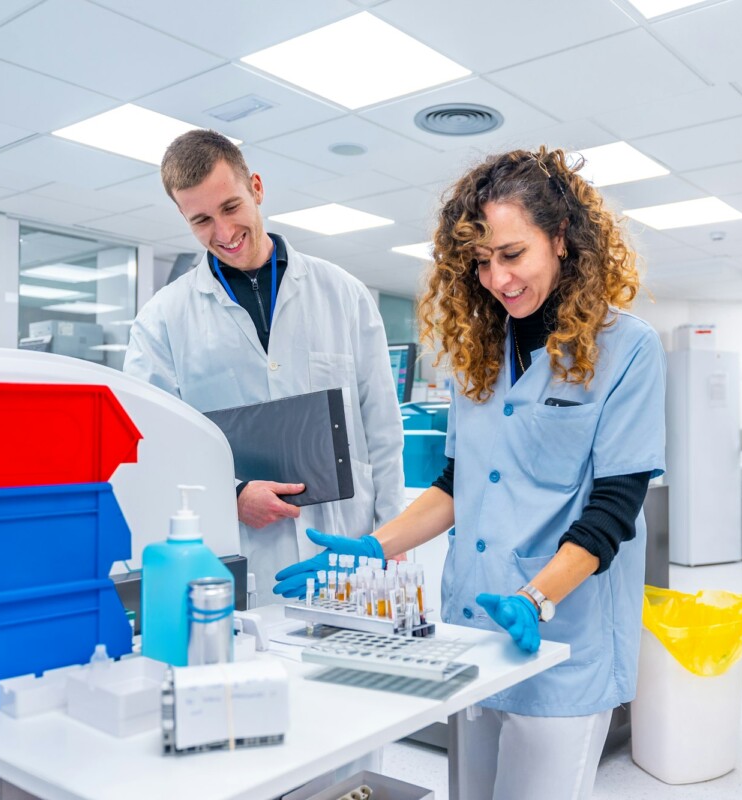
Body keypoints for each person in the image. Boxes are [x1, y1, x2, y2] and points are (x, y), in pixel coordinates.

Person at [275, 147, 666, 800]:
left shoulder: (627, 348)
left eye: (512, 255)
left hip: (562, 635)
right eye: (480, 262)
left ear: (562, 239)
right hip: (469, 630)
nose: (497, 279)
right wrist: (374, 549)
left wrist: (535, 598)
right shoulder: (477, 354)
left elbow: (614, 509)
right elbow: (461, 484)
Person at [124, 129, 405, 606]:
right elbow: (147, 442)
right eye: (201, 220)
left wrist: (392, 541)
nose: (223, 232)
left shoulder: (344, 295)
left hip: (347, 550)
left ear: (256, 187)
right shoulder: (163, 319)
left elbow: (382, 428)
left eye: (231, 208)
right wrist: (231, 495)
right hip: (240, 559)